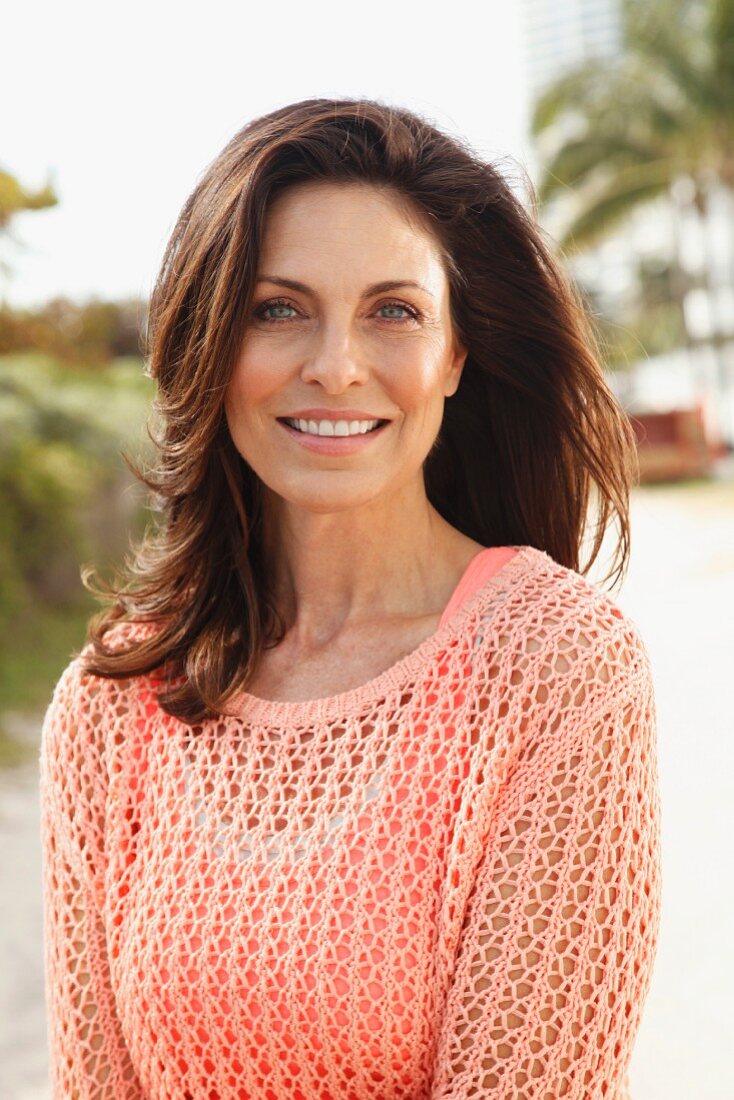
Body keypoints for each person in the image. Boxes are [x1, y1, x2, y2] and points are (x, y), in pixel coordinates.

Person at [38, 97, 661, 1099]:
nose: (334, 366)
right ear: (212, 344)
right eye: (277, 308)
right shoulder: (116, 698)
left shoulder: (554, 665)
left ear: (454, 352)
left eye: (392, 310)